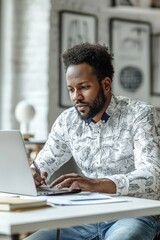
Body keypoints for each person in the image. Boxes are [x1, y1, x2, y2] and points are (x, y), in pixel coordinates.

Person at [26, 42, 160, 240]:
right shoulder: (68, 122)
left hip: (133, 215)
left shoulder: (141, 115)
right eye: (71, 89)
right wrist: (32, 174)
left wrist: (97, 184)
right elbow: (42, 164)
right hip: (85, 216)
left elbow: (154, 176)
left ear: (106, 84)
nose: (76, 97)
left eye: (84, 87)